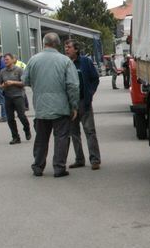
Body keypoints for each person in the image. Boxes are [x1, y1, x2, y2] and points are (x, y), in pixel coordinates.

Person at [23, 32, 80, 177]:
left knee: (41, 138)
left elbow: (25, 80)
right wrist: (73, 106)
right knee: (61, 137)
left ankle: (38, 166)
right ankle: (59, 168)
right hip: (61, 107)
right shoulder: (65, 61)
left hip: (41, 106)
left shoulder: (33, 60)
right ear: (58, 44)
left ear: (44, 43)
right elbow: (73, 85)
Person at [64, 40, 101, 169]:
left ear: (76, 49)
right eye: (65, 47)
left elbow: (95, 78)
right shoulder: (65, 63)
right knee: (74, 133)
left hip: (83, 102)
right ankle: (79, 159)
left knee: (90, 131)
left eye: (69, 47)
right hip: (70, 104)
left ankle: (95, 160)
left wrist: (90, 93)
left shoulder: (85, 62)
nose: (66, 49)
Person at [0, 51, 31, 144]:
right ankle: (15, 137)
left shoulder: (19, 70)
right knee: (10, 118)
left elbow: (24, 83)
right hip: (8, 97)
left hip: (18, 96)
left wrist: (13, 82)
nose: (5, 61)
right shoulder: (2, 71)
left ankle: (27, 128)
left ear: (13, 60)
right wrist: (2, 85)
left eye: (7, 59)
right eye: (4, 60)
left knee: (21, 116)